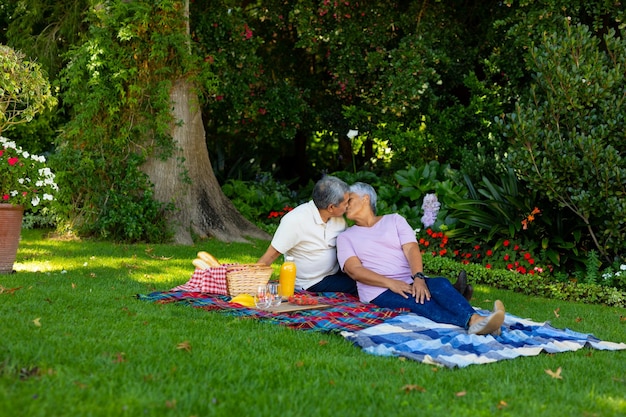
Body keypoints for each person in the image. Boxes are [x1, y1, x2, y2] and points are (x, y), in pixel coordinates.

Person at [337, 182, 505, 335]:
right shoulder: (345, 237)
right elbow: (355, 271)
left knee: (440, 284)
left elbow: (411, 248)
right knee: (419, 301)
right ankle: (473, 321)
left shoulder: (394, 220)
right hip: (379, 290)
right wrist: (390, 283)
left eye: (349, 200)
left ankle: (474, 318)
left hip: (408, 280)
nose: (345, 205)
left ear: (365, 199)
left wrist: (418, 278)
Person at [257, 175, 358, 295]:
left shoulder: (338, 219)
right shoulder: (295, 220)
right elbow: (270, 255)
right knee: (362, 286)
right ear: (331, 207)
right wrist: (252, 285)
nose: (348, 206)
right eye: (346, 203)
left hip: (335, 272)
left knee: (370, 276)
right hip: (311, 282)